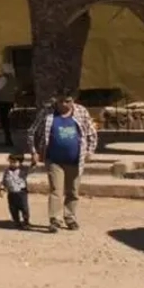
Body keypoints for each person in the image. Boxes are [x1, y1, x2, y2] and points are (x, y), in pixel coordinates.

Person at [29, 94, 98, 231]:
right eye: (62, 101)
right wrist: (34, 151)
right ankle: (55, 219)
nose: (65, 104)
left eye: (68, 101)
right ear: (56, 101)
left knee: (73, 191)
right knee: (56, 190)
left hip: (75, 159)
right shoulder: (47, 113)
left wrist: (90, 151)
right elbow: (32, 131)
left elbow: (91, 133)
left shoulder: (81, 111)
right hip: (54, 159)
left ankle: (70, 217)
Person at [0, 152, 31, 228]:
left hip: (21, 193)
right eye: (10, 162)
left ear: (20, 162)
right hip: (11, 193)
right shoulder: (7, 171)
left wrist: (34, 162)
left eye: (14, 162)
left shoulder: (23, 170)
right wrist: (2, 189)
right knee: (13, 208)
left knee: (24, 208)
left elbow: (32, 169)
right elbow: (4, 181)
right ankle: (17, 222)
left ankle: (26, 222)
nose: (12, 164)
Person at [0, 66, 17, 147]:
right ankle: (8, 139)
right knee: (6, 121)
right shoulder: (12, 79)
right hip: (10, 101)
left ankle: (8, 140)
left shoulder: (3, 79)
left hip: (2, 102)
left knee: (5, 122)